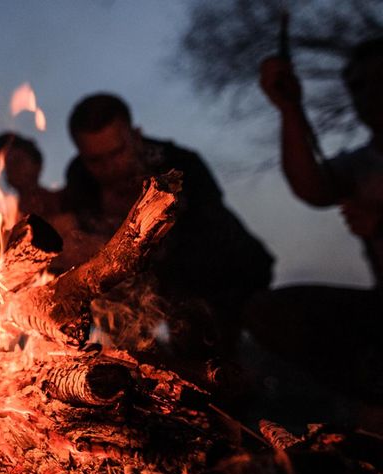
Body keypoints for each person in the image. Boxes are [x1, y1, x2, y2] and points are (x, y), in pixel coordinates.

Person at [56, 93, 274, 385]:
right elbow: (79, 233)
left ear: (136, 136)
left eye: (117, 152)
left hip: (226, 277)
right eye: (97, 160)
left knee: (214, 368)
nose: (110, 167)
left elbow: (210, 241)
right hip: (148, 290)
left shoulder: (180, 164)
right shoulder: (81, 175)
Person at [252, 37, 383, 396]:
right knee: (271, 312)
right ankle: (370, 399)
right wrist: (289, 108)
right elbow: (312, 186)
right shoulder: (364, 164)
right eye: (359, 86)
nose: (370, 94)